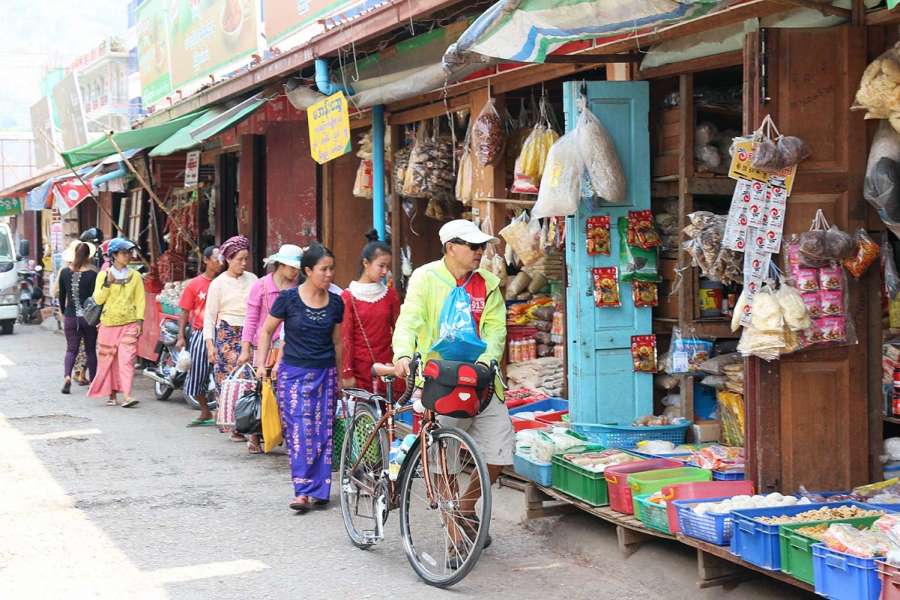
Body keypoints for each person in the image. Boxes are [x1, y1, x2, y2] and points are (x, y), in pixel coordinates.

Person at [392, 219, 512, 545]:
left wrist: (489, 361)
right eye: (473, 246)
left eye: (482, 246)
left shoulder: (488, 283)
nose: (480, 252)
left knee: (500, 452)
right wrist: (403, 354)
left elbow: (495, 329)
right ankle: (452, 525)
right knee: (441, 456)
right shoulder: (425, 277)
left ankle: (465, 505)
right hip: (438, 380)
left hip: (482, 381)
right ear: (451, 248)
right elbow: (410, 317)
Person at [255, 244, 344, 512]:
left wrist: (339, 376)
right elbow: (266, 331)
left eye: (331, 269)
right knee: (300, 431)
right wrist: (262, 364)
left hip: (325, 374)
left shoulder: (336, 302)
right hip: (293, 375)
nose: (329, 274)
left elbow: (337, 343)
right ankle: (302, 491)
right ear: (308, 270)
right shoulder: (288, 299)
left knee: (322, 432)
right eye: (323, 269)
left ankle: (320, 489)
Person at [237, 244, 302, 453]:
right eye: (292, 267)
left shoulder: (297, 289)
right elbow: (251, 318)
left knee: (284, 391)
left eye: (297, 268)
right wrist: (245, 348)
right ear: (280, 265)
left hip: (290, 346)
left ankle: (282, 433)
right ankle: (255, 434)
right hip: (263, 345)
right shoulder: (261, 286)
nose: (295, 272)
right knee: (260, 388)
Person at [203, 235, 257, 439]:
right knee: (230, 380)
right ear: (228, 259)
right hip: (226, 334)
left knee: (249, 379)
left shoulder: (253, 279)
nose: (243, 263)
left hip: (249, 333)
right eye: (239, 259)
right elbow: (209, 316)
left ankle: (248, 424)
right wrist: (210, 345)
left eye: (245, 259)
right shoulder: (218, 284)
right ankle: (234, 425)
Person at [340, 231, 401, 394]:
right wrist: (347, 372)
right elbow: (346, 338)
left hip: (388, 368)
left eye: (387, 267)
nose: (385, 271)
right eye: (381, 266)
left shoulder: (390, 295)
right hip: (360, 370)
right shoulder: (348, 296)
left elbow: (400, 331)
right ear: (366, 263)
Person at [88, 238, 145, 408]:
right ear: (114, 255)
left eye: (129, 253)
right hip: (108, 323)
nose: (128, 256)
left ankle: (127, 395)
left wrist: (140, 321)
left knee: (127, 360)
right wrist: (107, 284)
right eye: (124, 253)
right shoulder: (103, 275)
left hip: (129, 323)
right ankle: (111, 394)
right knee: (108, 361)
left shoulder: (135, 276)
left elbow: (140, 300)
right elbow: (98, 299)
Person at [177, 246, 223, 427]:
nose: (219, 262)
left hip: (222, 333)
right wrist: (181, 336)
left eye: (221, 258)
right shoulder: (194, 284)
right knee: (197, 374)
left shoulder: (224, 282)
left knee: (224, 374)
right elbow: (184, 312)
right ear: (205, 260)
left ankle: (223, 412)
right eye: (215, 258)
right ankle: (205, 411)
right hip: (199, 333)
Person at [58, 241, 98, 394]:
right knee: (90, 350)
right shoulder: (93, 274)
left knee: (71, 350)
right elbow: (96, 298)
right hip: (88, 318)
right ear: (88, 256)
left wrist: (63, 312)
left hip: (70, 316)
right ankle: (93, 383)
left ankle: (67, 377)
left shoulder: (64, 273)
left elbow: (62, 296)